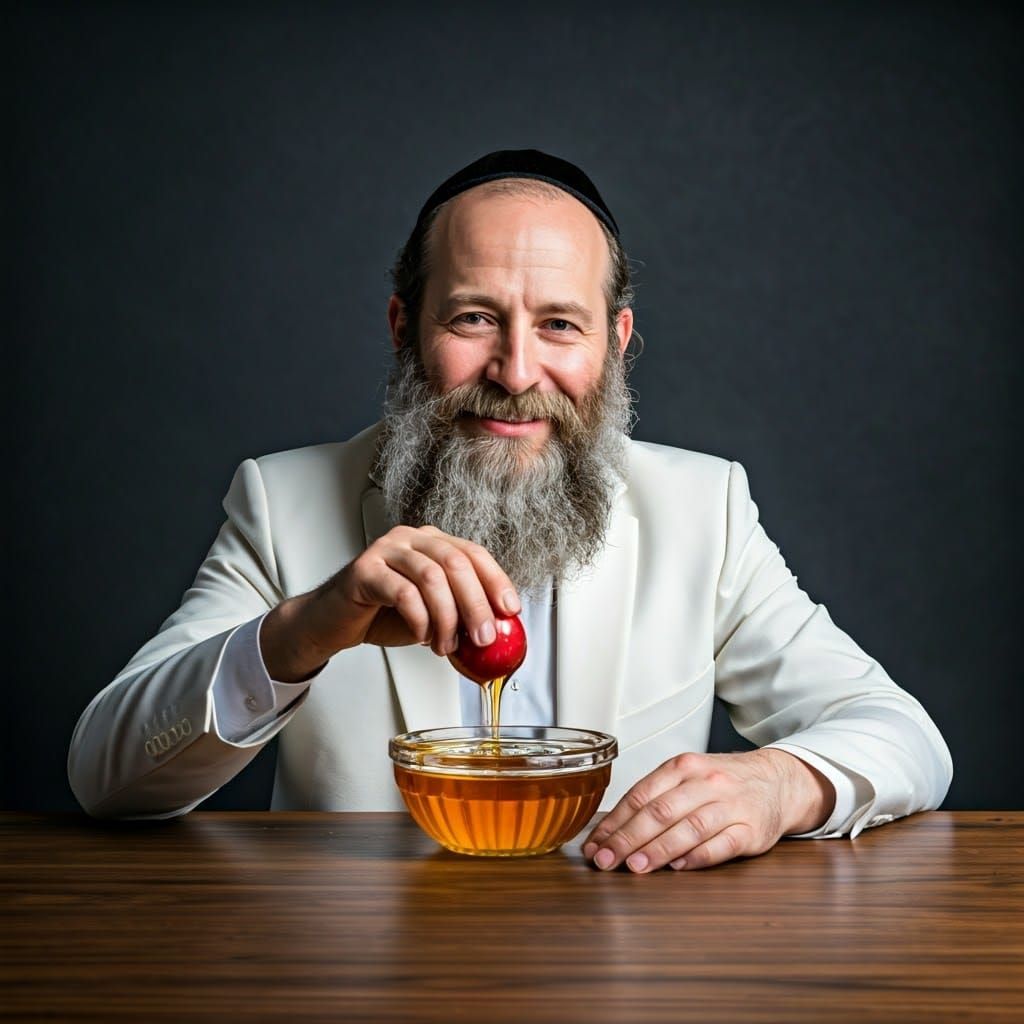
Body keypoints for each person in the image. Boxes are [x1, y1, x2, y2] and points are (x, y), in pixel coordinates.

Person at [68, 149, 952, 873]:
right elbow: (106, 777)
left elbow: (906, 737)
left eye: (560, 326)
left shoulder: (702, 510)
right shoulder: (286, 502)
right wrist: (301, 632)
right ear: (402, 326)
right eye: (474, 319)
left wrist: (780, 785)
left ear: (617, 343)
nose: (517, 372)